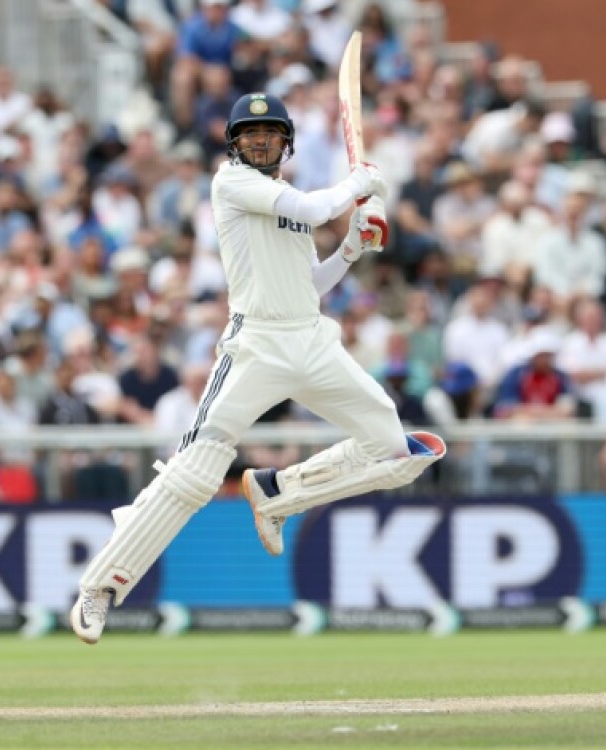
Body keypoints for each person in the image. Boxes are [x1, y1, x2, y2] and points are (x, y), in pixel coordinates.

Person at [70, 93, 445, 644]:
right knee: (196, 473)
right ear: (234, 143)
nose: (261, 141)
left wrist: (349, 250)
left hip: (311, 339)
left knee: (399, 450)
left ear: (286, 141)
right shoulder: (232, 184)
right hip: (257, 345)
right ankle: (101, 587)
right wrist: (360, 183)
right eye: (250, 134)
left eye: (270, 133)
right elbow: (319, 208)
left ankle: (279, 491)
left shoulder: (287, 200)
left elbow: (307, 287)